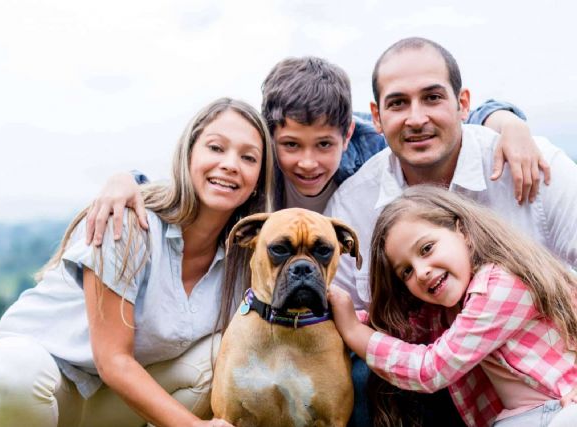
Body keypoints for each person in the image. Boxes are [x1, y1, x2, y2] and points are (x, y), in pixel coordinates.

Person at [84, 56, 547, 427]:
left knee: (367, 375)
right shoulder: (248, 172)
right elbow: (193, 181)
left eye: (324, 144)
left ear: (348, 133)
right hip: (264, 327)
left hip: (356, 332)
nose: (308, 162)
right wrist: (129, 181)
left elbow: (430, 117)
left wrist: (506, 120)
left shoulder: (367, 154)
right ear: (269, 138)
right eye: (290, 145)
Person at [0, 98, 275, 427]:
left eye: (248, 157)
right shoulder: (127, 222)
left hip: (105, 403)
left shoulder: (247, 259)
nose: (230, 164)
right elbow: (112, 359)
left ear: (258, 178)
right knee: (14, 374)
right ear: (189, 154)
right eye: (216, 148)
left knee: (223, 355)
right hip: (36, 382)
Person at [324, 36, 577, 426]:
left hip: (549, 394)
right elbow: (351, 313)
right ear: (376, 117)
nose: (416, 118)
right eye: (397, 103)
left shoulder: (531, 166)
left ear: (462, 105)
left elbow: (430, 367)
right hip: (463, 396)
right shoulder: (352, 204)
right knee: (362, 372)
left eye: (432, 97)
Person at [328, 185, 577, 427]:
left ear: (463, 232)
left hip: (555, 410)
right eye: (406, 271)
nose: (422, 271)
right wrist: (332, 315)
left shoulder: (500, 285)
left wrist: (352, 330)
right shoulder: (447, 309)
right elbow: (397, 332)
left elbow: (430, 370)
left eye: (426, 249)